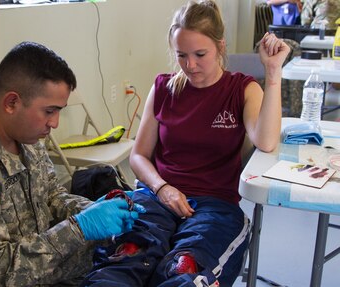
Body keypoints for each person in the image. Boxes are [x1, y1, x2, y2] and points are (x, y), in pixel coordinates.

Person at [81, 1, 290, 286]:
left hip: (214, 204)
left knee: (185, 268)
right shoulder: (164, 87)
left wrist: (273, 73)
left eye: (200, 54)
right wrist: (162, 188)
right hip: (157, 196)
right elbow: (139, 156)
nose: (190, 65)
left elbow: (266, 142)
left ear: (220, 46)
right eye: (181, 55)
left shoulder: (242, 89)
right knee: (128, 256)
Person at [0, 41, 144, 287]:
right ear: (11, 103)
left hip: (41, 274)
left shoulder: (28, 138)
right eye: (49, 111)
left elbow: (51, 196)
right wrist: (80, 228)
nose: (55, 123)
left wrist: (90, 210)